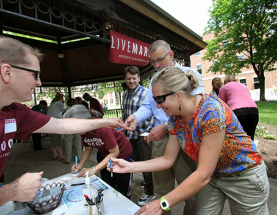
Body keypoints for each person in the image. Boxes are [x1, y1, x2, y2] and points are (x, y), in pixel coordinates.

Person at [0, 35, 124, 215]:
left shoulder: (15, 112)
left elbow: (61, 125)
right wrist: (11, 191)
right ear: (7, 72)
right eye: (35, 74)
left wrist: (107, 121)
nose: (39, 82)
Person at [111, 67, 269, 215]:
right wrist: (129, 167)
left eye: (160, 99)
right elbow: (167, 159)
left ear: (179, 95)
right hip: (215, 175)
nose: (158, 106)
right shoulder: (176, 119)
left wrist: (162, 203)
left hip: (243, 176)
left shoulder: (211, 111)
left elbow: (203, 174)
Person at [123, 40, 204, 215]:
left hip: (184, 137)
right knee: (161, 188)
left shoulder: (189, 75)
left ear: (171, 55)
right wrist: (135, 117)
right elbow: (148, 106)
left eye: (160, 59)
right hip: (159, 140)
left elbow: (196, 109)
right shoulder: (154, 79)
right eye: (153, 62)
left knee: (190, 189)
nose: (157, 65)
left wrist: (166, 127)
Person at [66, 105, 133, 198]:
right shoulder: (83, 130)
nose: (76, 132)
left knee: (123, 188)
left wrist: (94, 169)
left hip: (121, 155)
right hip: (104, 156)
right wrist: (80, 165)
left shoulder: (103, 128)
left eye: (76, 128)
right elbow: (87, 148)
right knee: (107, 185)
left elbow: (115, 152)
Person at [122, 66, 155, 205]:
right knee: (137, 162)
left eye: (134, 78)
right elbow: (125, 114)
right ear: (125, 79)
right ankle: (147, 183)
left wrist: (148, 133)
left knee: (147, 165)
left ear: (139, 78)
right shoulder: (125, 93)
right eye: (129, 78)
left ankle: (150, 193)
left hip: (143, 136)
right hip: (131, 135)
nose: (131, 81)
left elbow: (154, 114)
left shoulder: (146, 93)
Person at [219, 75, 259, 140]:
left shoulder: (223, 88)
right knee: (250, 137)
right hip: (253, 110)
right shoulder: (244, 86)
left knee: (239, 138)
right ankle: (251, 149)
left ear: (225, 81)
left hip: (237, 111)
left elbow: (222, 104)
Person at [62, 98, 83, 164]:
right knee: (78, 143)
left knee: (68, 143)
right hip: (77, 127)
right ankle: (79, 157)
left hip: (67, 128)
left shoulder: (64, 111)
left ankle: (68, 159)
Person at [47, 92, 65, 160]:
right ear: (61, 98)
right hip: (56, 124)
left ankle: (55, 155)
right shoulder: (60, 104)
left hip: (48, 124)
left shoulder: (51, 104)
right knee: (58, 140)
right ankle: (60, 155)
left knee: (52, 140)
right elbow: (63, 113)